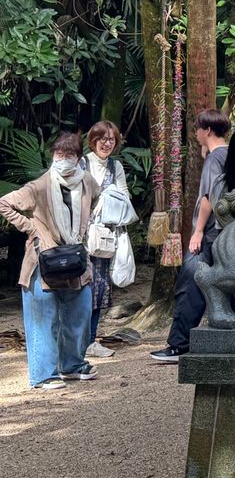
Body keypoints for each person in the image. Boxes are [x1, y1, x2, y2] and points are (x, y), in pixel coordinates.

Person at [0, 132, 98, 390]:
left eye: (69, 154)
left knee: (80, 314)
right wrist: (31, 228)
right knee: (43, 320)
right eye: (59, 154)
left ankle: (73, 365)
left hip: (76, 260)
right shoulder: (39, 186)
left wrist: (85, 230)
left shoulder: (87, 182)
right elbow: (4, 204)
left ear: (78, 157)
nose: (63, 159)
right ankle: (43, 375)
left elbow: (96, 202)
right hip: (43, 261)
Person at [151, 109, 231, 363]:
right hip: (227, 233)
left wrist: (197, 232)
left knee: (190, 284)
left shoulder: (214, 159)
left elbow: (208, 197)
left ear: (207, 130)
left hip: (209, 232)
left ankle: (179, 344)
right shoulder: (230, 154)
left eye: (197, 129)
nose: (195, 134)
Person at [82, 120, 130, 358]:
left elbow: (124, 197)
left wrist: (106, 198)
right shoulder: (82, 163)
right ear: (93, 140)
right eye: (102, 139)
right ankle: (75, 341)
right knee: (78, 288)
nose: (107, 144)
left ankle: (91, 341)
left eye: (111, 139)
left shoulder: (115, 166)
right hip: (79, 237)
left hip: (103, 238)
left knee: (99, 288)